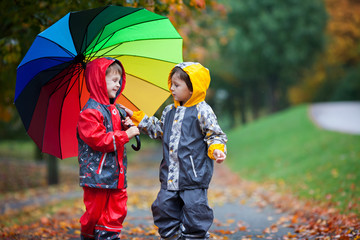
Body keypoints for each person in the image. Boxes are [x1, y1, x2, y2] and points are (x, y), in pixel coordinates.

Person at [122, 62, 227, 240]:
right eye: (171, 84)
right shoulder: (170, 111)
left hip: (193, 177)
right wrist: (137, 117)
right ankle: (172, 236)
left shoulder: (202, 111)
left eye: (177, 85)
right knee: (162, 208)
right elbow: (159, 129)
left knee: (195, 213)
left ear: (193, 88)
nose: (172, 88)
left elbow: (214, 134)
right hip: (170, 176)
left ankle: (195, 237)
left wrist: (216, 149)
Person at [77, 57, 139, 240]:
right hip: (96, 176)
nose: (118, 85)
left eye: (119, 81)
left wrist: (126, 126)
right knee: (94, 214)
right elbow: (98, 139)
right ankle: (89, 234)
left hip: (117, 173)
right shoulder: (89, 113)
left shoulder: (116, 109)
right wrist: (124, 136)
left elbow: (116, 132)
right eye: (113, 80)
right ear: (98, 81)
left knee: (118, 208)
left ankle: (109, 236)